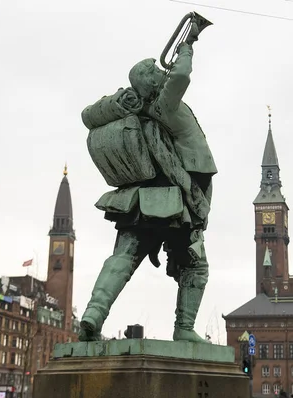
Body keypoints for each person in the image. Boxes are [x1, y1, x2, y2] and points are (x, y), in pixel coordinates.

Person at [79, 20, 217, 343]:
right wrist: (187, 46)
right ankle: (184, 328)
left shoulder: (149, 110)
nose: (162, 73)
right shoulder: (164, 103)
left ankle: (92, 315)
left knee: (123, 256)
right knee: (196, 266)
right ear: (152, 83)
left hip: (140, 200)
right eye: (156, 72)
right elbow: (181, 75)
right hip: (172, 203)